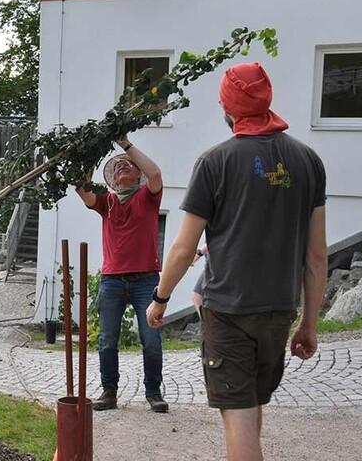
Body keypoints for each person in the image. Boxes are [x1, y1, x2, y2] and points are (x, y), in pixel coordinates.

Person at [146, 62, 327, 461]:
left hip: (228, 310)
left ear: (226, 108)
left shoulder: (216, 162)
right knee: (252, 403)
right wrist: (308, 323)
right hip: (279, 309)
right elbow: (316, 254)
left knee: (239, 417)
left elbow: (181, 248)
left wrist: (160, 298)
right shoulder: (308, 161)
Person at [73, 133, 168, 413]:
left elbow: (156, 173)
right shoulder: (107, 202)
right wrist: (91, 153)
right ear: (112, 180)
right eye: (117, 167)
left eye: (128, 165)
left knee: (151, 340)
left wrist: (125, 145)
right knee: (106, 341)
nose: (122, 167)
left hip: (146, 280)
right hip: (112, 281)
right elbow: (81, 188)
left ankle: (153, 392)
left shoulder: (148, 196)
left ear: (138, 174)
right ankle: (109, 391)